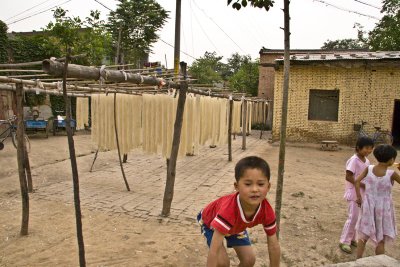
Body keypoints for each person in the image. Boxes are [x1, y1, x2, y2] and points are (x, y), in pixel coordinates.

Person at [197, 156, 280, 267]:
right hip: (211, 223)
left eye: (260, 184)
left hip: (235, 227)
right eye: (248, 184)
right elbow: (214, 250)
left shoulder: (266, 210)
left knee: (249, 260)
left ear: (268, 186)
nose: (255, 189)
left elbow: (274, 245)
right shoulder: (229, 211)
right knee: (222, 263)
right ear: (237, 186)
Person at [355, 144, 400, 258]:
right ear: (391, 160)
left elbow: (357, 181)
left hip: (368, 206)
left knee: (363, 234)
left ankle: (358, 260)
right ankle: (379, 262)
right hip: (383, 209)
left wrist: (359, 197)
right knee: (381, 238)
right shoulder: (391, 174)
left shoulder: (369, 168)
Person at [339, 137, 374, 254]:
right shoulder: (354, 160)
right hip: (354, 192)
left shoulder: (367, 161)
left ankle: (351, 238)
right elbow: (348, 176)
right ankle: (344, 241)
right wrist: (361, 184)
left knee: (357, 217)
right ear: (358, 148)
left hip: (362, 192)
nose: (368, 151)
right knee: (352, 217)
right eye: (366, 148)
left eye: (371, 148)